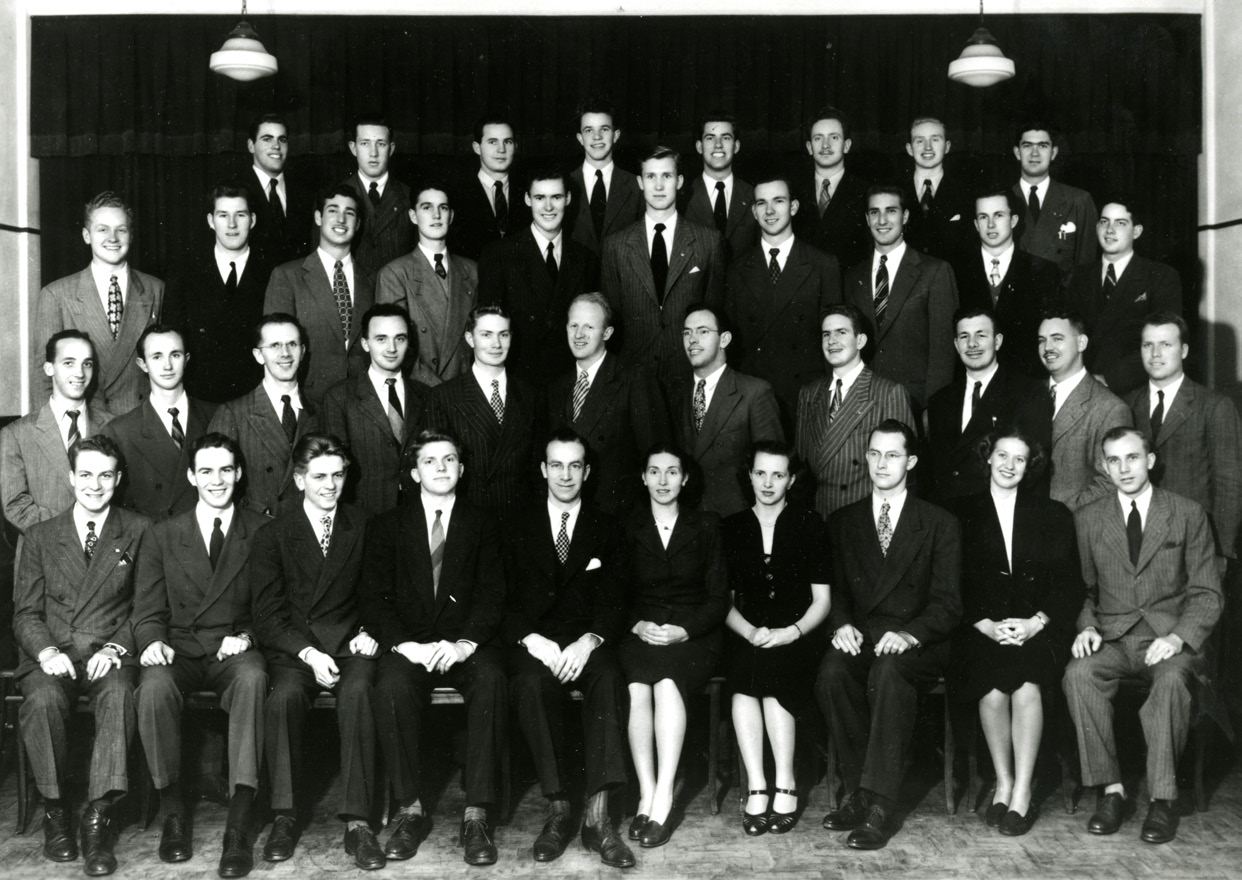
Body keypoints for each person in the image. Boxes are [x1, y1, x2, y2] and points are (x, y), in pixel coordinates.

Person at [1064, 427, 1223, 845]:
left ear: (1150, 461)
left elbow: (1208, 594)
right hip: (1114, 636)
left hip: (1170, 640)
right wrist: (1087, 627)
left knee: (1170, 681)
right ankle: (1110, 790)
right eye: (1113, 460)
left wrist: (1177, 638)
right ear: (1104, 466)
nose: (1124, 468)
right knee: (1078, 675)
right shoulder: (1088, 519)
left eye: (1132, 458)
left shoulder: (1187, 513)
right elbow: (1083, 592)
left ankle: (1161, 799)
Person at [360, 429, 507, 866]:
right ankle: (410, 810)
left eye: (449, 460)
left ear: (462, 469)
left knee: (493, 680)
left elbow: (494, 594)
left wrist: (463, 645)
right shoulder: (388, 525)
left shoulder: (483, 523)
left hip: (464, 645)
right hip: (413, 648)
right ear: (413, 472)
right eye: (430, 461)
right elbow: (373, 597)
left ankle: (477, 813)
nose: (440, 468)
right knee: (390, 688)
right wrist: (408, 646)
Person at [816, 419, 961, 850]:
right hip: (864, 634)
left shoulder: (938, 522)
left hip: (919, 642)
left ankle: (881, 803)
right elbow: (836, 591)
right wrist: (840, 623)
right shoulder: (844, 521)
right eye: (875, 453)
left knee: (890, 672)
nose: (882, 463)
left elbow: (948, 604)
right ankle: (860, 790)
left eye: (893, 454)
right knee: (831, 672)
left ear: (911, 462)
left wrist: (911, 634)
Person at [130, 432, 269, 876]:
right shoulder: (164, 534)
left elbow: (274, 607)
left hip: (234, 648)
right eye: (206, 470)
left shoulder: (262, 530)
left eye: (225, 469)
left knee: (252, 679)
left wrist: (247, 635)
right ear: (191, 475)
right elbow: (147, 610)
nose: (216, 480)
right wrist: (152, 641)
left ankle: (240, 819)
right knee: (152, 688)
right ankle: (173, 810)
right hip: (182, 648)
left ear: (239, 473)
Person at [13, 435, 149, 875]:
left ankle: (98, 817)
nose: (95, 485)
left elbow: (147, 608)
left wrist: (114, 647)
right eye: (85, 475)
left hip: (109, 652)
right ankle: (55, 812)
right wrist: (46, 650)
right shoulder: (39, 536)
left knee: (119, 696)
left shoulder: (139, 530)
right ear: (71, 478)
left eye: (105, 475)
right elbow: (25, 614)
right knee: (44, 700)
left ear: (118, 479)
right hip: (53, 653)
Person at [501, 429, 634, 868]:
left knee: (611, 680)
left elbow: (616, 600)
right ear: (543, 470)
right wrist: (532, 640)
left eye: (574, 465)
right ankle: (560, 811)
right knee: (529, 685)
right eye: (556, 465)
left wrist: (589, 640)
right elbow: (501, 600)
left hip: (586, 640)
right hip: (535, 641)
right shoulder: (516, 524)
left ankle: (597, 819)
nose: (565, 474)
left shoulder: (608, 526)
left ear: (587, 471)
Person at [251, 434, 382, 869]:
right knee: (283, 698)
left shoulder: (364, 525)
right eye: (320, 476)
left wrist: (370, 631)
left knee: (360, 693)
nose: (330, 485)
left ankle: (358, 821)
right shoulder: (274, 534)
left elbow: (382, 595)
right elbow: (268, 617)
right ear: (300, 478)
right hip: (298, 650)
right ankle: (284, 815)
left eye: (338, 475)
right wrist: (308, 653)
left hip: (350, 645)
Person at [947, 431, 1082, 836]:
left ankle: (1022, 790)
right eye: (1002, 455)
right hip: (980, 628)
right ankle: (1002, 781)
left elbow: (1069, 585)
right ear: (988, 459)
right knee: (990, 689)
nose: (1009, 464)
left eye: (1019, 459)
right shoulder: (959, 513)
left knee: (1026, 686)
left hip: (1037, 628)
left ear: (1030, 467)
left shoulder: (1053, 514)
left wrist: (1034, 623)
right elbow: (951, 581)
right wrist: (983, 624)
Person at [619, 443, 729, 849]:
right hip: (642, 633)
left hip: (694, 637)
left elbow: (718, 599)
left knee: (666, 682)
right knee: (635, 686)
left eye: (671, 472)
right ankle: (646, 791)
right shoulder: (627, 527)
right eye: (654, 471)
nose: (662, 480)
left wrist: (683, 629)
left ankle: (665, 795)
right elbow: (616, 594)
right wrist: (639, 623)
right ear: (644, 477)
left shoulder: (707, 525)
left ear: (685, 479)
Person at [724, 442, 830, 836]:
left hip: (798, 634)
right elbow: (724, 601)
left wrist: (792, 632)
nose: (768, 483)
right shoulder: (731, 527)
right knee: (743, 679)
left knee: (774, 677)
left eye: (778, 474)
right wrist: (750, 631)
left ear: (791, 479)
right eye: (761, 473)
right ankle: (756, 785)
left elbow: (822, 601)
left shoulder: (810, 523)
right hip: (745, 633)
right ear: (749, 475)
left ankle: (785, 782)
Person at [600, 146, 726, 387]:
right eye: (651, 177)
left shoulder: (708, 242)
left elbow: (713, 313)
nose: (658, 186)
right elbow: (611, 323)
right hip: (632, 376)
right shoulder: (615, 246)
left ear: (679, 181)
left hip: (690, 373)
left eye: (666, 176)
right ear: (640, 182)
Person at [724, 172, 841, 429]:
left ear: (794, 207)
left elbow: (836, 341)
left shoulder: (823, 264)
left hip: (808, 395)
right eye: (761, 203)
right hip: (755, 397)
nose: (769, 210)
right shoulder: (737, 269)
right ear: (753, 211)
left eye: (778, 201)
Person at [1124, 313, 1242, 564]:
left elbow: (1229, 485)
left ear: (1184, 350)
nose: (1155, 354)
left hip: (1195, 546)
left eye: (1165, 344)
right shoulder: (1127, 405)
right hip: (1138, 545)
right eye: (1148, 345)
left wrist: (1220, 554)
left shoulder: (1214, 406)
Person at [34, 191, 164, 414]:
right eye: (102, 229)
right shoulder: (56, 294)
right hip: (84, 423)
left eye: (121, 230)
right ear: (87, 235)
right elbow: (42, 377)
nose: (112, 238)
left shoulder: (155, 289)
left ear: (131, 235)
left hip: (139, 423)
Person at [547, 292, 668, 517]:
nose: (579, 335)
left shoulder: (635, 379)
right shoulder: (556, 388)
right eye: (573, 325)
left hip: (619, 516)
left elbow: (655, 457)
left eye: (589, 327)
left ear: (607, 333)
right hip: (570, 516)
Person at [844, 184, 960, 415]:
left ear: (905, 216)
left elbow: (943, 352)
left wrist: (933, 409)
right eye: (874, 212)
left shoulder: (934, 271)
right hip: (862, 404)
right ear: (867, 219)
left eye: (891, 211)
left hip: (914, 403)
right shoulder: (853, 276)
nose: (882, 220)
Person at [479, 166, 599, 384]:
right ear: (527, 199)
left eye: (556, 197)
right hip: (519, 381)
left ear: (568, 199)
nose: (548, 207)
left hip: (571, 381)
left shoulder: (585, 258)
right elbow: (488, 329)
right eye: (540, 197)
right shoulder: (499, 254)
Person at [424, 305, 543, 521]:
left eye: (503, 335)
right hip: (469, 518)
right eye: (486, 335)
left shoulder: (530, 396)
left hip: (520, 518)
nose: (496, 344)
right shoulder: (443, 397)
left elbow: (538, 469)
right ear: (470, 339)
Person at [795, 304, 913, 519]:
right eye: (826, 334)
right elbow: (801, 468)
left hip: (863, 516)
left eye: (841, 332)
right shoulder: (809, 394)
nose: (832, 341)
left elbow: (905, 470)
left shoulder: (887, 392)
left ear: (860, 341)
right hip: (817, 514)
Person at [264, 183, 375, 404]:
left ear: (358, 223)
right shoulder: (287, 275)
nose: (341, 220)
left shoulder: (371, 279)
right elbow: (274, 345)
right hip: (309, 399)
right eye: (333, 211)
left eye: (349, 213)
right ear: (318, 218)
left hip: (362, 398)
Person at [671, 303, 783, 517]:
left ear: (724, 339)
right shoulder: (676, 393)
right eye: (687, 333)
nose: (692, 339)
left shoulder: (754, 392)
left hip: (736, 519)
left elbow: (773, 468)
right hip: (687, 519)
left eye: (703, 331)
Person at [320, 303, 430, 516]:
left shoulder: (426, 395)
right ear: (365, 343)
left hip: (418, 511)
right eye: (381, 339)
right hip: (364, 514)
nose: (391, 348)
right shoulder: (339, 397)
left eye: (400, 338)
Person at [163, 183, 269, 403]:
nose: (232, 224)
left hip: (256, 399)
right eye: (223, 215)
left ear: (253, 220)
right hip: (200, 398)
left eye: (240, 214)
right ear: (211, 221)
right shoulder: (184, 272)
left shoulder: (273, 271)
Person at [1066, 198, 1183, 396]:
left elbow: (1165, 342)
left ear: (1136, 231)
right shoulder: (1077, 276)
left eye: (1120, 223)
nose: (1109, 230)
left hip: (1134, 390)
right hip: (1081, 389)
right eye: (1104, 222)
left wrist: (1109, 380)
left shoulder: (1160, 276)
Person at [208, 314, 320, 518]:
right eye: (275, 345)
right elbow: (215, 485)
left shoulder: (319, 412)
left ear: (302, 352)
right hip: (256, 533)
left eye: (292, 344)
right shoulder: (233, 413)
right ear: (259, 355)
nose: (285, 353)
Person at [925, 308, 1040, 503]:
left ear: (998, 341)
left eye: (981, 335)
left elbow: (1031, 468)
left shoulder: (1025, 394)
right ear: (956, 344)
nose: (972, 344)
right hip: (948, 513)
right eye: (964, 336)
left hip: (996, 511)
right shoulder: (939, 401)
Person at [2, 331, 112, 536]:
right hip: (44, 555)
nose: (80, 373)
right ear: (49, 368)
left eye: (87, 364)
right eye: (69, 363)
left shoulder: (114, 426)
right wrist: (77, 530)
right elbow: (16, 507)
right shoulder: (15, 435)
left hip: (104, 552)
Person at [102, 325, 216, 520]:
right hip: (153, 543)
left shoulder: (217, 415)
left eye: (175, 355)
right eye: (157, 357)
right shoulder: (120, 431)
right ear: (142, 364)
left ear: (186, 359)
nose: (167, 366)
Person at [375, 183, 479, 387]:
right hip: (422, 391)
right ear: (413, 216)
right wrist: (440, 392)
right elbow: (396, 348)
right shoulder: (395, 273)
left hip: (466, 390)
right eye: (427, 207)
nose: (436, 215)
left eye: (443, 208)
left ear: (451, 216)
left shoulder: (472, 270)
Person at [955, 189, 1062, 379]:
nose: (990, 224)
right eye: (983, 217)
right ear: (975, 225)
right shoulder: (956, 271)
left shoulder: (1043, 271)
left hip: (1026, 385)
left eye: (998, 215)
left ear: (1013, 221)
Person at [1031, 311, 1132, 510]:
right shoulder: (1027, 397)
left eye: (1057, 339)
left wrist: (1059, 515)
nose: (1047, 348)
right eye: (1042, 341)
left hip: (1075, 528)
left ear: (1082, 343)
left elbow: (1110, 481)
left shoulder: (1110, 408)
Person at [1011, 121, 1097, 283]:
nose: (1034, 153)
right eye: (1027, 145)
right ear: (1017, 152)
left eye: (1043, 146)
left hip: (1062, 303)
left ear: (1053, 153)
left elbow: (1086, 268)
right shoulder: (1002, 201)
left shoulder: (1079, 200)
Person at [793, 106, 870, 269]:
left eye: (834, 137)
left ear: (846, 145)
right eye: (818, 138)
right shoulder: (793, 190)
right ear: (809, 147)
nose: (825, 145)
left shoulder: (866, 191)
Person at [566, 98, 644, 257]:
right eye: (589, 130)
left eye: (604, 129)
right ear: (580, 138)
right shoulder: (564, 184)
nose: (597, 137)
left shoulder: (636, 185)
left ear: (616, 136)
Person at [341, 116, 416, 278]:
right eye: (365, 143)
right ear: (353, 148)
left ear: (391, 148)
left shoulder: (410, 197)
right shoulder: (334, 197)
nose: (373, 153)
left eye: (381, 144)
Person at [681, 112, 758, 261]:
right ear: (699, 146)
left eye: (726, 138)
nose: (718, 145)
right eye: (710, 138)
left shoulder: (753, 195)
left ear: (736, 146)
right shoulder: (682, 196)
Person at [452, 114, 530, 260]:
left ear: (516, 147)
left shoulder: (529, 192)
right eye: (493, 142)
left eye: (508, 142)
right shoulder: (457, 195)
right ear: (477, 147)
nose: (501, 149)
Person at [901, 116, 973, 263]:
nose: (928, 147)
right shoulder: (894, 191)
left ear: (947, 147)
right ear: (909, 149)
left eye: (935, 140)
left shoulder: (966, 193)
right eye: (920, 141)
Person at [245, 112, 313, 267]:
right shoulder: (236, 190)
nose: (276, 146)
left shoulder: (305, 192)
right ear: (251, 145)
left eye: (282, 140)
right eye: (267, 139)